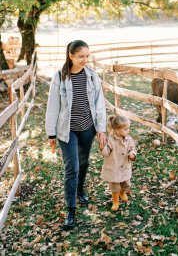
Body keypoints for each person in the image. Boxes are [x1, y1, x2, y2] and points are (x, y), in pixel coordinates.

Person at [46, 40, 106, 230]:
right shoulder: (59, 77)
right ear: (71, 56)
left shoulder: (92, 77)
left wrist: (101, 129)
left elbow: (99, 104)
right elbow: (52, 107)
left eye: (87, 56)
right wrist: (51, 134)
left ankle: (80, 190)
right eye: (81, 57)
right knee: (72, 168)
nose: (85, 60)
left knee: (84, 162)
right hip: (67, 130)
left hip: (88, 129)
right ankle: (71, 210)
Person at [100, 115, 136, 211]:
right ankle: (115, 201)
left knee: (126, 185)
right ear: (117, 130)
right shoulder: (111, 140)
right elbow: (106, 152)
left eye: (128, 128)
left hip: (125, 167)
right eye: (125, 129)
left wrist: (132, 154)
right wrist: (102, 147)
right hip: (114, 167)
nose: (128, 131)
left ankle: (122, 193)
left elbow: (132, 148)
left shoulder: (129, 139)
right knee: (115, 187)